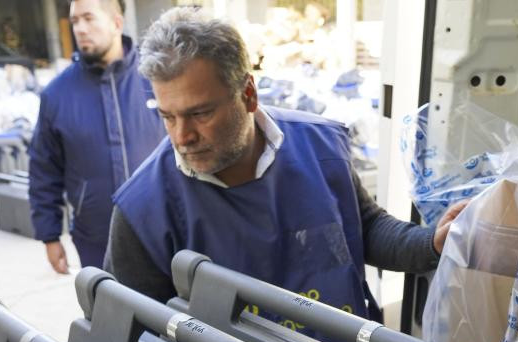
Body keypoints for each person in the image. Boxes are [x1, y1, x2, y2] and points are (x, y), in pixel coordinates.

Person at [106, 8, 466, 322]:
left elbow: (365, 227)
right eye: (168, 116)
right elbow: (133, 337)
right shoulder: (142, 210)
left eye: (200, 113)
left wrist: (430, 243)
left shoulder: (322, 148)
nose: (182, 137)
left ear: (248, 94)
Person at [29, 0, 165, 271]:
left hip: (164, 232)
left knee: (168, 312)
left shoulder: (157, 78)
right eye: (75, 21)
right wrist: (49, 235)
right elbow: (44, 169)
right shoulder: (57, 94)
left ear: (116, 23)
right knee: (107, 312)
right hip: (96, 240)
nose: (79, 29)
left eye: (89, 18)